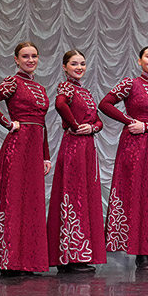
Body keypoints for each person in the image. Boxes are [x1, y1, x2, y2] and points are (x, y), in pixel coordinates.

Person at [98, 45, 148, 270]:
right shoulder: (130, 84)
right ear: (139, 61)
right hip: (133, 146)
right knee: (137, 195)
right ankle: (139, 252)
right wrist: (130, 122)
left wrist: (147, 126)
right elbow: (104, 104)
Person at [0, 41, 51, 277]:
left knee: (32, 203)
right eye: (25, 56)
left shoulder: (40, 88)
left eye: (34, 56)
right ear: (16, 60)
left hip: (35, 149)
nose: (30, 60)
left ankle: (28, 260)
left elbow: (43, 124)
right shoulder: (13, 82)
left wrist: (46, 156)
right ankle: (9, 261)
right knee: (13, 201)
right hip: (18, 148)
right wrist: (8, 123)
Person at [47, 49, 106, 274]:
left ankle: (79, 254)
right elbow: (60, 105)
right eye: (74, 63)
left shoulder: (85, 92)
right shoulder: (66, 87)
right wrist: (74, 125)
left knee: (85, 196)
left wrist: (91, 128)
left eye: (82, 63)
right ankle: (69, 256)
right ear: (64, 67)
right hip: (73, 147)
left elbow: (99, 121)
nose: (79, 67)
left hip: (87, 148)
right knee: (73, 196)